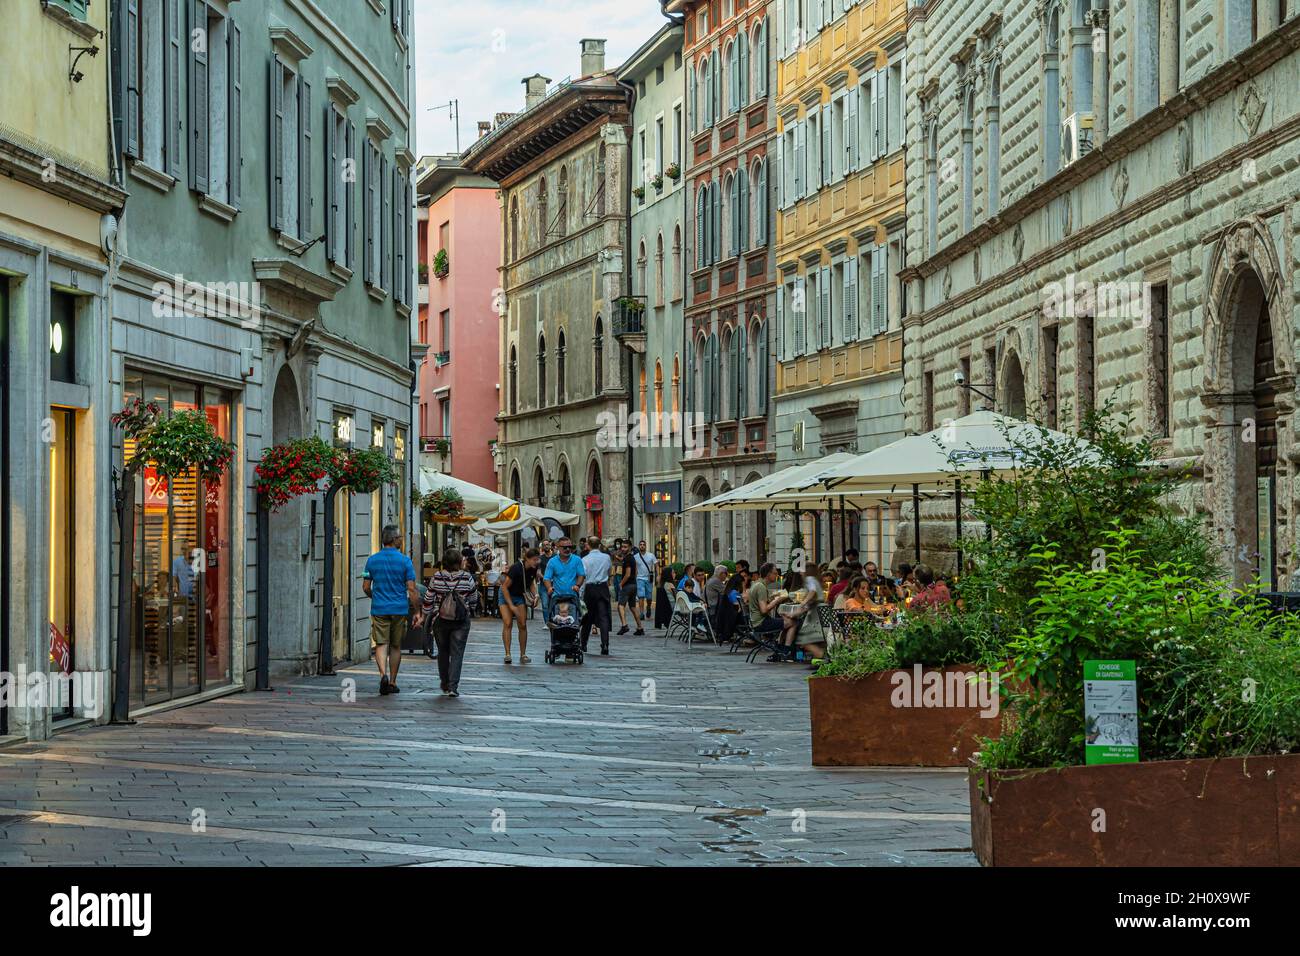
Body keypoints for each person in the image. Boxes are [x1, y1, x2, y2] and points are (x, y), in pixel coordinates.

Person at [362, 524, 421, 696]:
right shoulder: (405, 561)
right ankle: (393, 682)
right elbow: (411, 589)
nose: (402, 540)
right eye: (400, 537)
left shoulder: (372, 560)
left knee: (381, 643)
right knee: (395, 646)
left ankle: (383, 675)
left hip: (379, 608)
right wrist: (417, 611)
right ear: (395, 540)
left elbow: (365, 587)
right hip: (399, 609)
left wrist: (376, 597)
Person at [422, 548, 479, 697]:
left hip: (441, 620)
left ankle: (445, 682)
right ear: (459, 561)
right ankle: (453, 687)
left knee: (443, 651)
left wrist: (426, 614)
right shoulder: (466, 577)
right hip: (461, 620)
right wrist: (470, 608)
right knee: (457, 653)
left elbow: (428, 598)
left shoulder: (437, 576)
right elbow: (473, 597)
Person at [501, 547, 540, 664]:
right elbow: (504, 587)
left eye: (537, 559)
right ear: (527, 559)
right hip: (505, 594)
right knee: (508, 623)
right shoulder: (516, 568)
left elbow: (530, 583)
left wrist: (536, 595)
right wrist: (511, 606)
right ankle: (507, 654)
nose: (536, 562)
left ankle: (523, 654)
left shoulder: (533, 568)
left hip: (518, 595)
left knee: (522, 624)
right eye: (534, 559)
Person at [579, 535, 613, 654]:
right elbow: (609, 572)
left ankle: (583, 644)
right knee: (603, 617)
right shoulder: (606, 558)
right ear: (599, 545)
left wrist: (581, 594)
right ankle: (605, 645)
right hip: (602, 587)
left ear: (588, 545)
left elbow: (583, 577)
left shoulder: (584, 560)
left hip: (590, 588)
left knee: (587, 617)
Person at [747, 562, 787, 643]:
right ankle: (784, 647)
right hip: (761, 623)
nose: (777, 576)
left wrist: (772, 598)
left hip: (755, 622)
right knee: (792, 622)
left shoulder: (756, 584)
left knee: (787, 621)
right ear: (768, 574)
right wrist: (777, 600)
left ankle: (780, 645)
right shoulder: (761, 587)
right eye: (775, 573)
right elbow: (764, 610)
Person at [615, 541, 644, 636]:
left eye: (625, 547)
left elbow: (627, 574)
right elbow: (635, 572)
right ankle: (640, 628)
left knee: (620, 606)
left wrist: (621, 583)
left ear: (630, 547)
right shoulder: (632, 558)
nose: (623, 548)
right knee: (633, 607)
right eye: (622, 547)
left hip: (627, 585)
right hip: (634, 585)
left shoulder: (627, 559)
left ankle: (624, 625)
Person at [633, 540, 658, 620]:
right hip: (639, 578)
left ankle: (649, 607)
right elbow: (635, 568)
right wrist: (634, 578)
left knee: (649, 597)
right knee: (641, 596)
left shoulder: (651, 555)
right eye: (641, 544)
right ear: (639, 546)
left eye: (643, 544)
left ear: (646, 546)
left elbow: (656, 565)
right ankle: (641, 613)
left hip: (649, 578)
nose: (642, 546)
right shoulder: (636, 556)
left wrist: (658, 575)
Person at [654, 564, 675, 630]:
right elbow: (677, 596)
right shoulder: (670, 585)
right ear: (669, 574)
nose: (675, 574)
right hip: (673, 606)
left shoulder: (661, 585)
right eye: (673, 573)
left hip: (666, 607)